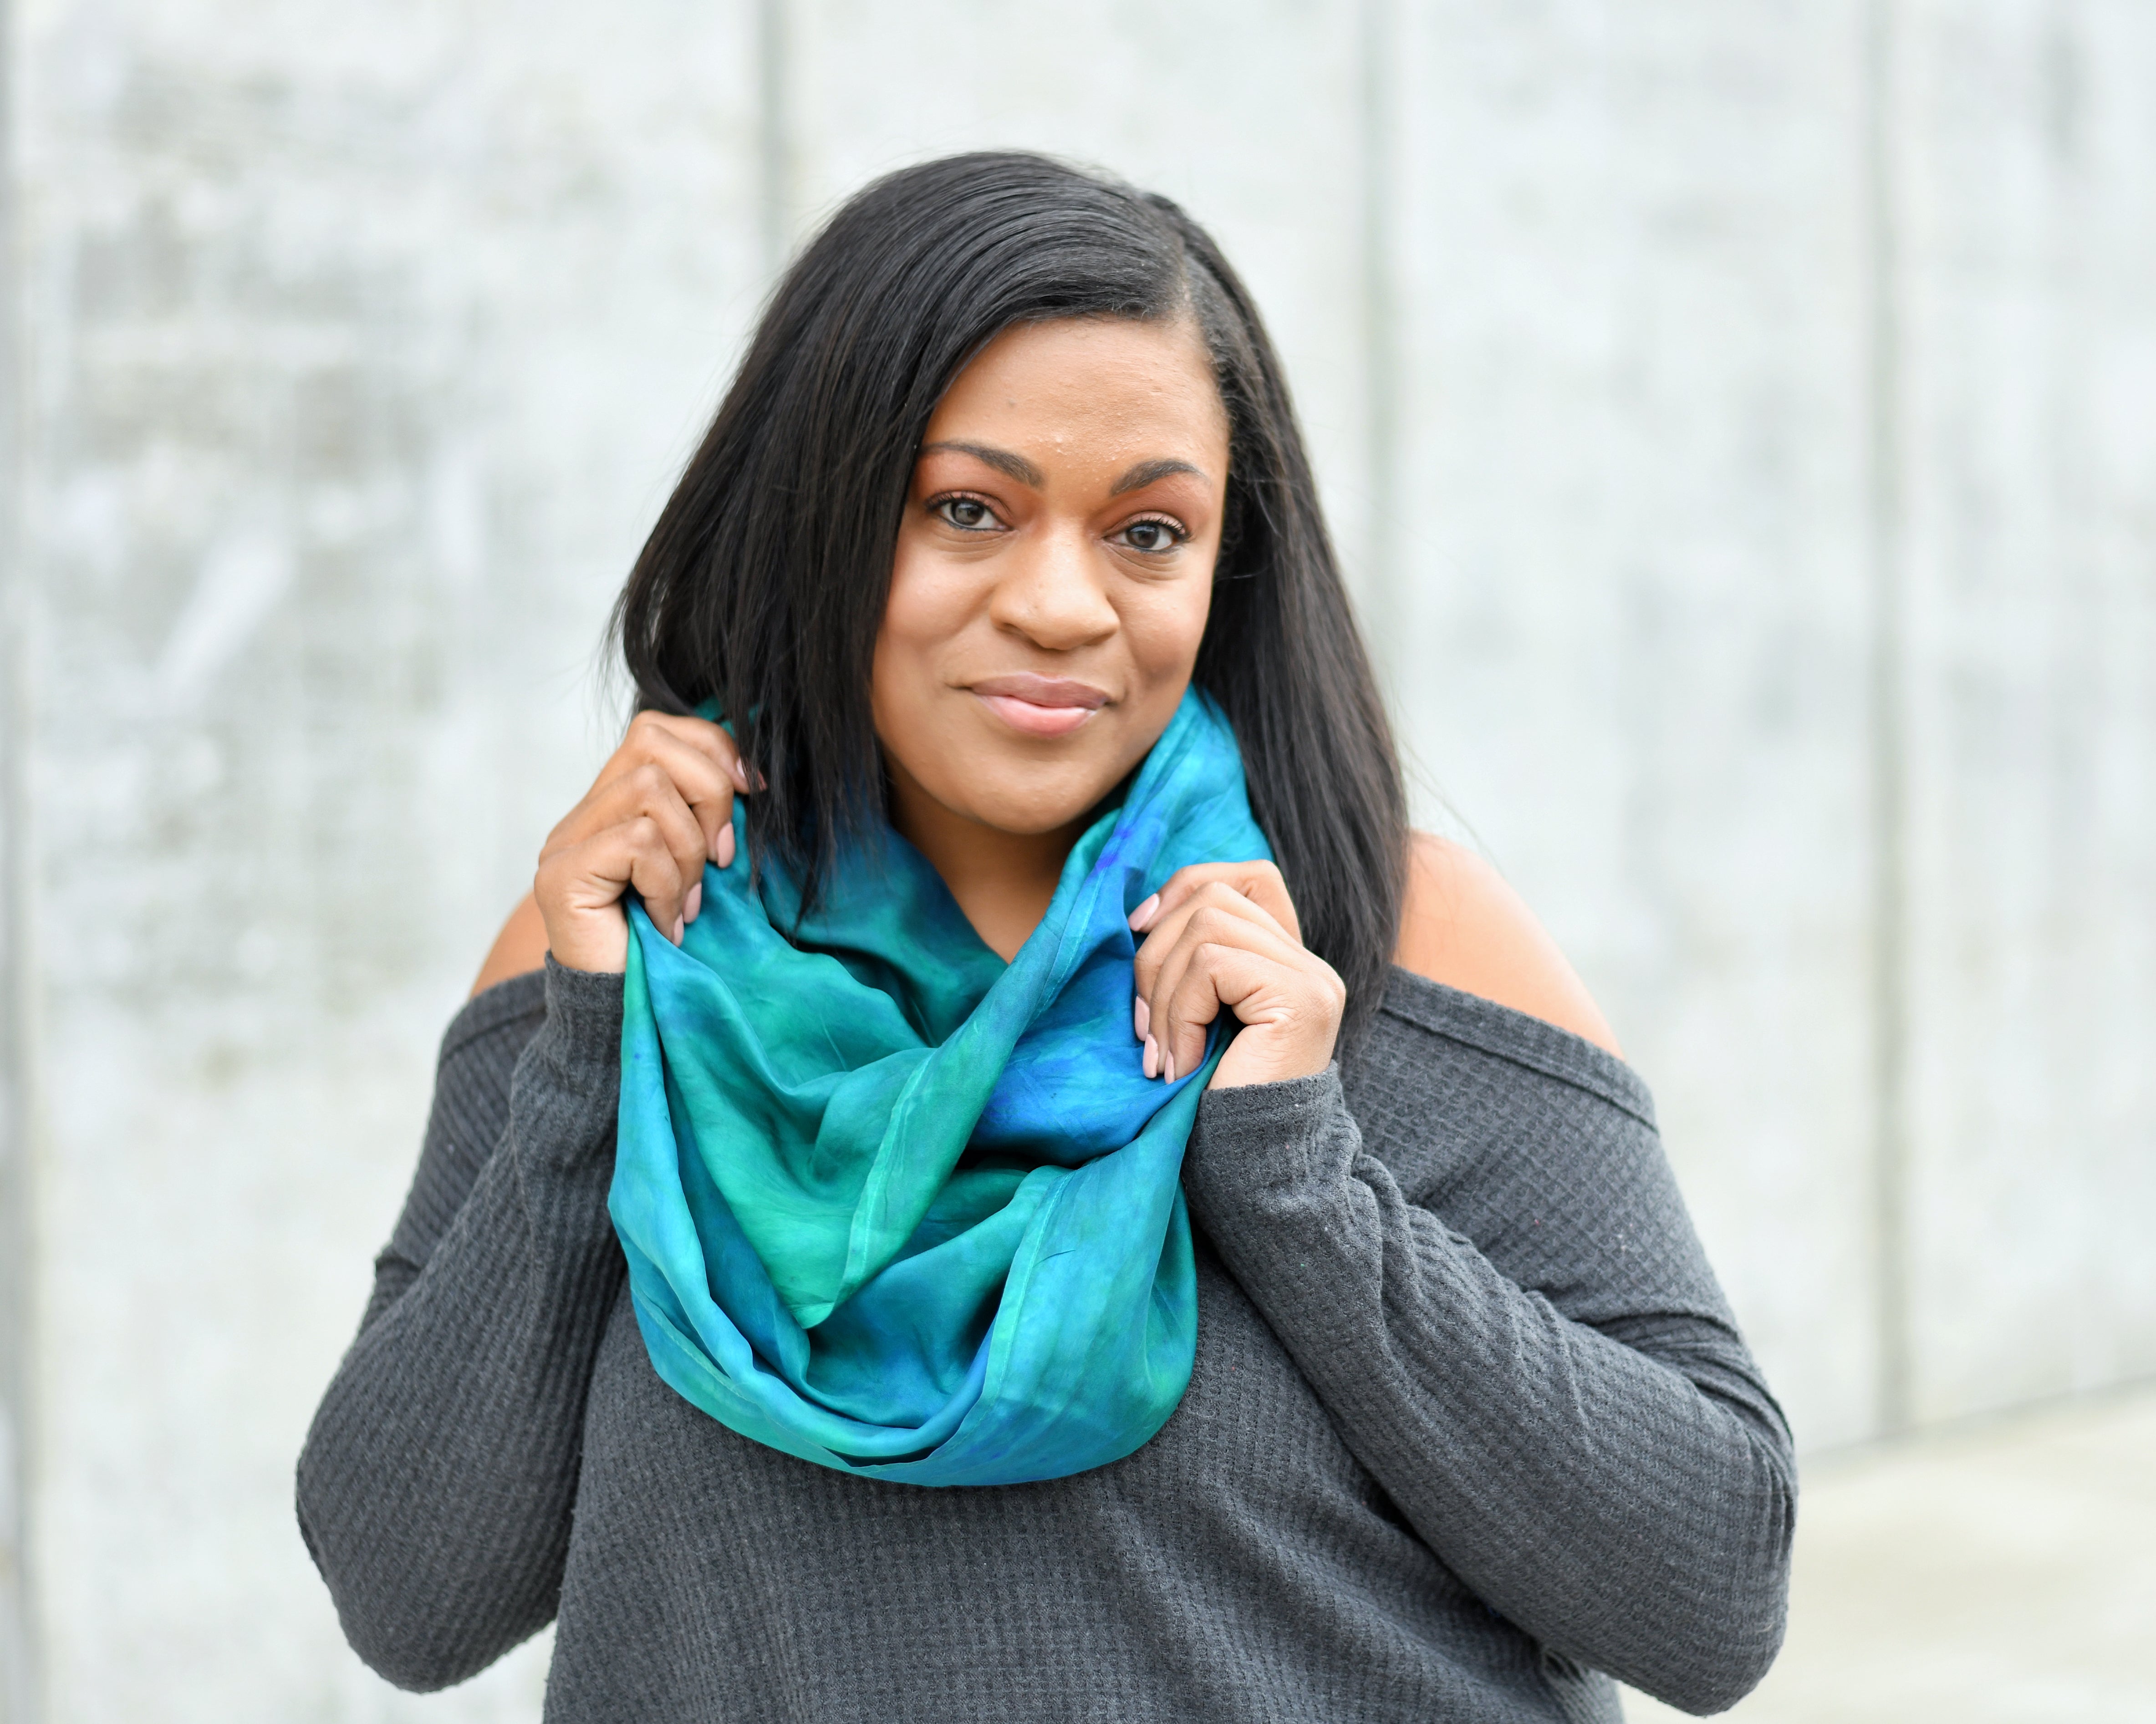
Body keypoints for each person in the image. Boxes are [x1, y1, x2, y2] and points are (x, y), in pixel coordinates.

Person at [297, 152, 1793, 1722]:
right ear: (816, 519)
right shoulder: (614, 962)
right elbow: (409, 1594)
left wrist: (1298, 1173)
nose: (1066, 603)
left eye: (1149, 533)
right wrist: (587, 1072)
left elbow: (1713, 1598)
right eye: (967, 510)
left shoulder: (1394, 945)